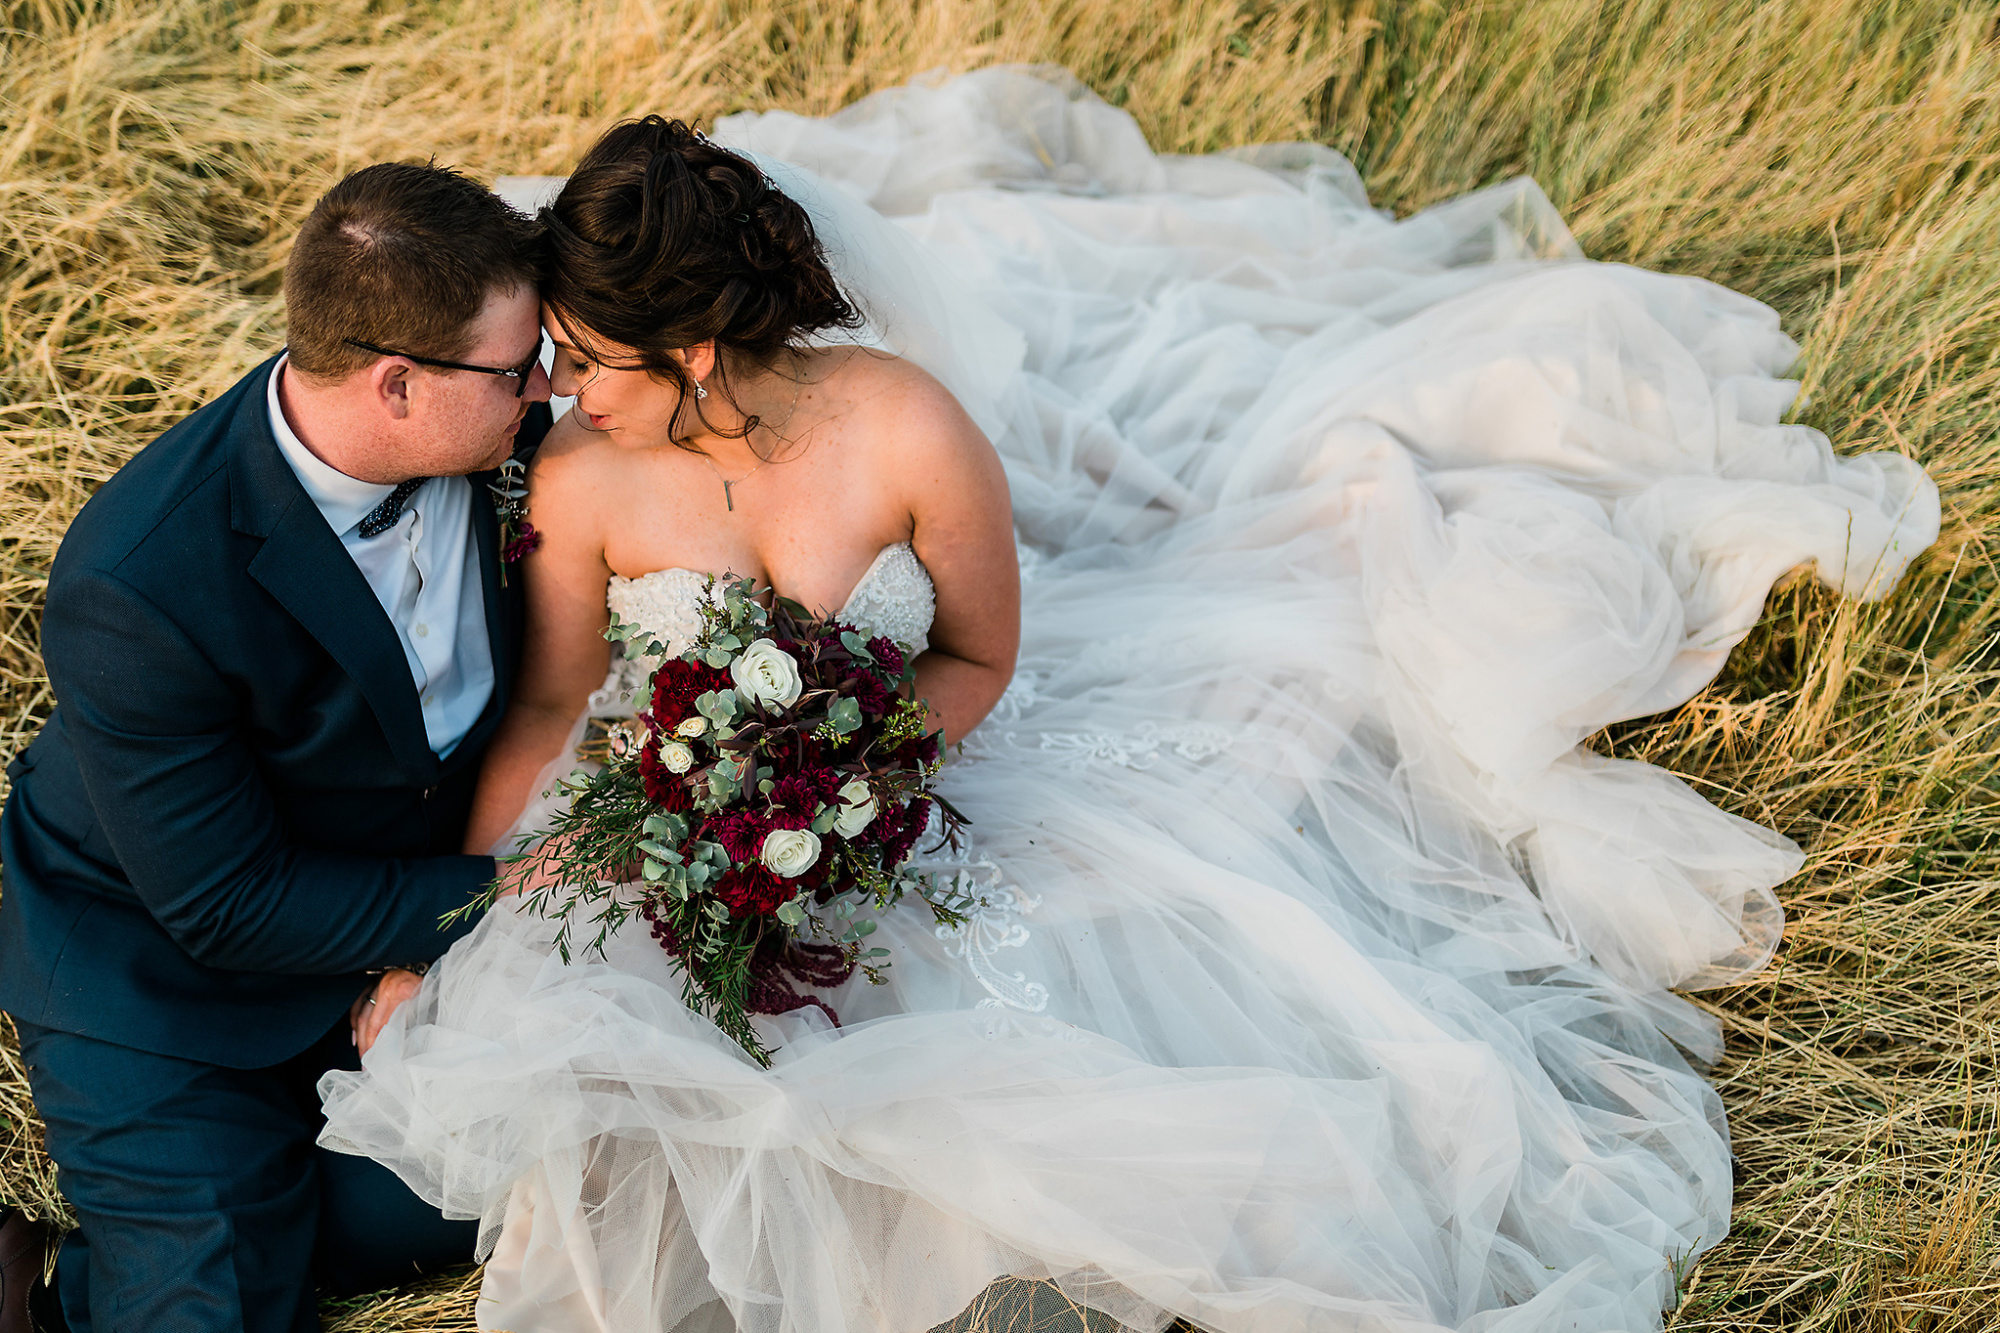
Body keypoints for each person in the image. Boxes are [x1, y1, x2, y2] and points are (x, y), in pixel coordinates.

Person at [323, 69, 1940, 1333]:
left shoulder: (908, 434)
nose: (554, 388)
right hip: (675, 812)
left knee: (1056, 1046)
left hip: (898, 790)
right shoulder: (591, 478)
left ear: (687, 350)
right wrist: (428, 936)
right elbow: (546, 714)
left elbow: (974, 659)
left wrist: (853, 780)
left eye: (587, 355)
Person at [0, 161, 553, 1332]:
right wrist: (502, 900)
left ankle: (191, 1243)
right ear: (395, 385)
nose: (544, 382)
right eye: (516, 368)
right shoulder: (137, 581)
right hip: (166, 973)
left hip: (388, 902)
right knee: (219, 1311)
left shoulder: (512, 435)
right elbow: (227, 904)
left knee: (557, 1171)